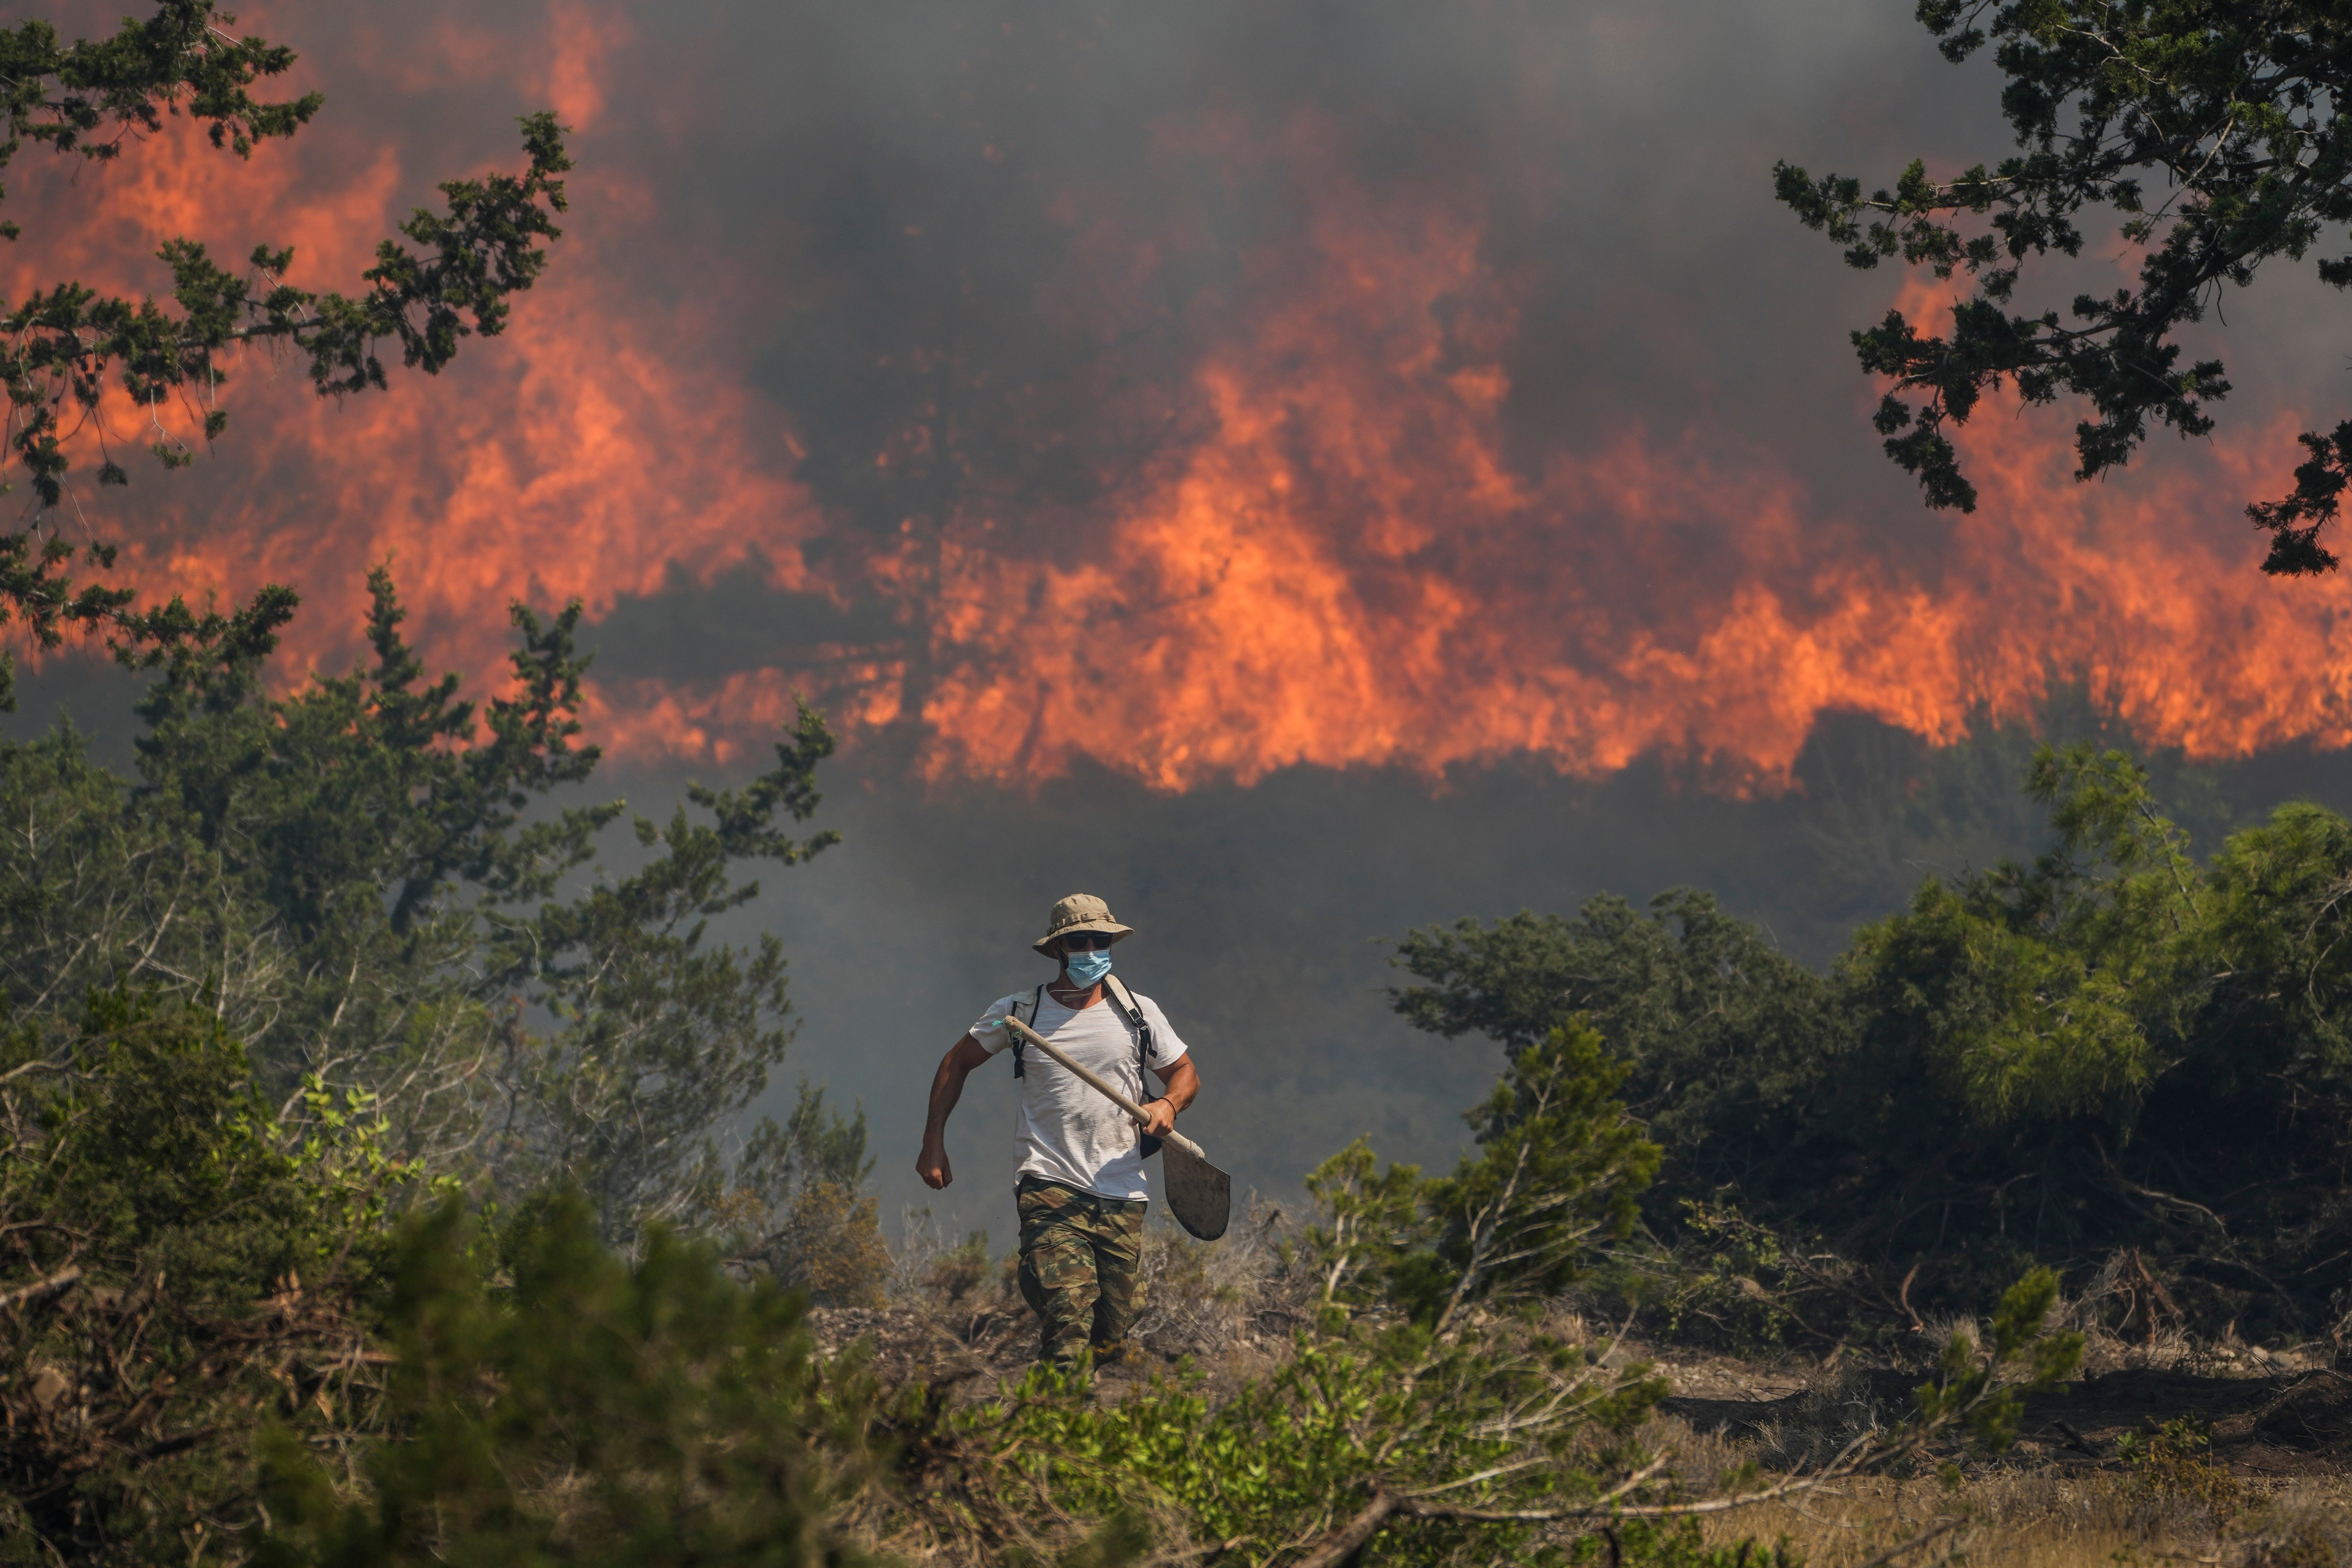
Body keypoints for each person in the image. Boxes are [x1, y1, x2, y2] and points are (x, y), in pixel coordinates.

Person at [915, 893, 1201, 1368]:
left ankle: (1080, 1417)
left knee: (1109, 1338)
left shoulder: (1138, 1013)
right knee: (1069, 1319)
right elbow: (955, 1063)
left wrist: (1168, 1105)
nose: (1091, 949)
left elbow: (1185, 1072)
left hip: (1121, 1190)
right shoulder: (1019, 1014)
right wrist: (933, 1143)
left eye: (1099, 940)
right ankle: (1046, 1421)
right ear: (1058, 950)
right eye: (1079, 941)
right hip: (1048, 1182)